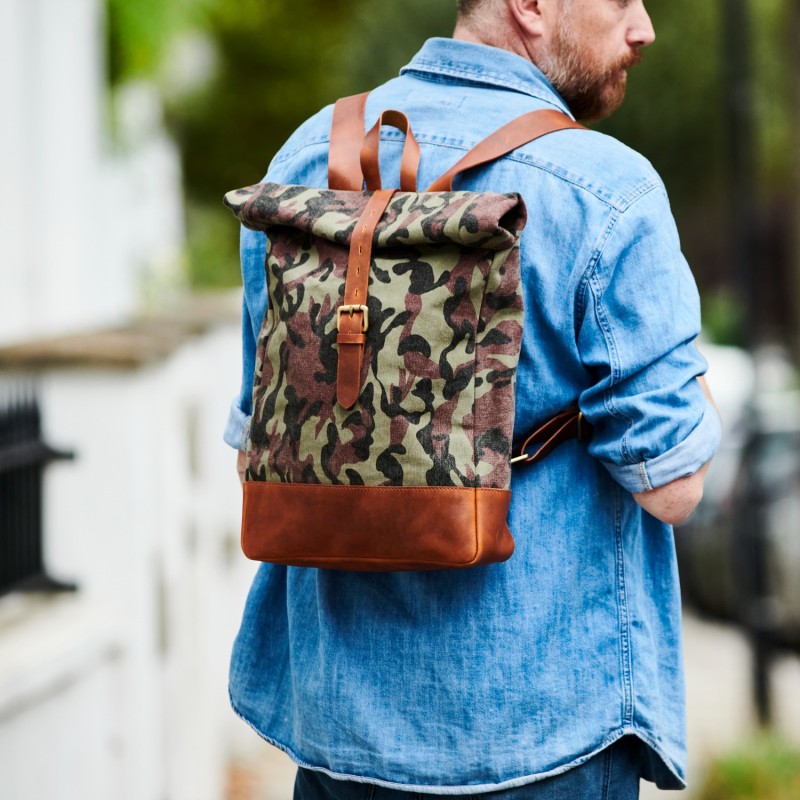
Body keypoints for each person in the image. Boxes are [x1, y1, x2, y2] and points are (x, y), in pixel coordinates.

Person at [223, 1, 721, 797]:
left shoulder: (305, 159)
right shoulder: (608, 188)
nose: (644, 27)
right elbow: (673, 485)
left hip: (337, 736)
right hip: (540, 736)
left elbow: (260, 446)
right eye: (622, 0)